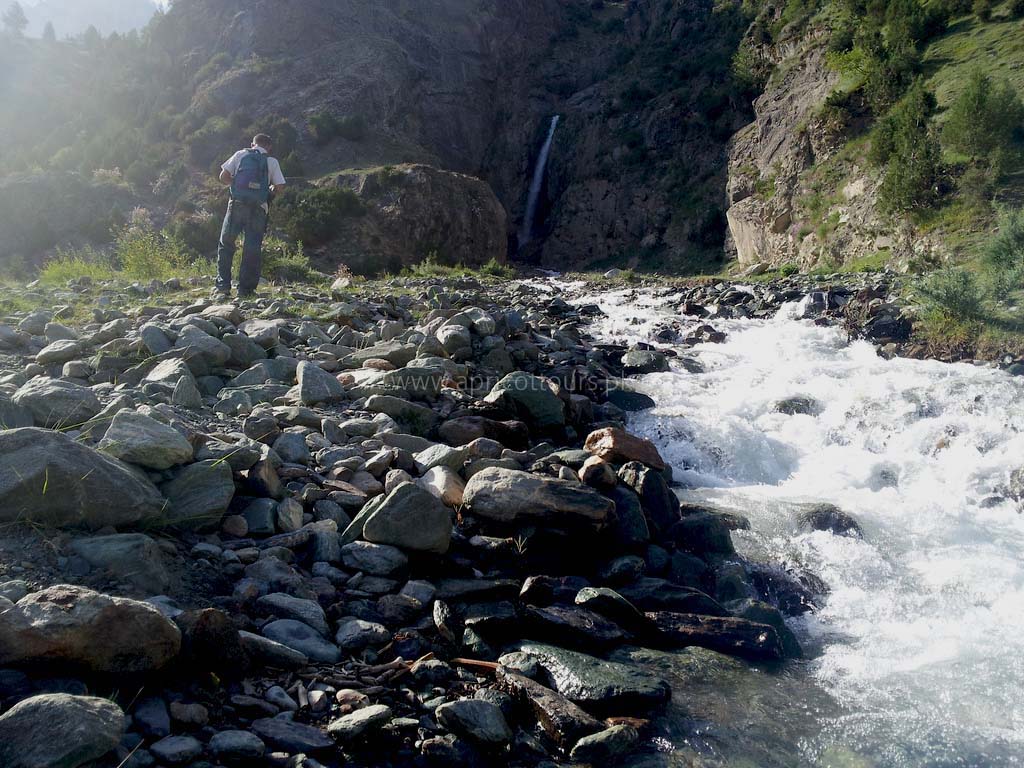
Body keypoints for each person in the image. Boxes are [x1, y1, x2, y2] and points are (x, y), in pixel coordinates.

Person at [215, 134, 287, 298]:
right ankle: (245, 290)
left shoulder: (240, 154)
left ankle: (223, 286)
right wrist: (269, 191)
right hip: (258, 209)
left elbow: (223, 176)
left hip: (237, 205)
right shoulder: (271, 161)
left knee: (226, 243)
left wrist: (236, 185)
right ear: (269, 147)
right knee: (252, 248)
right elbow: (280, 186)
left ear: (252, 144)